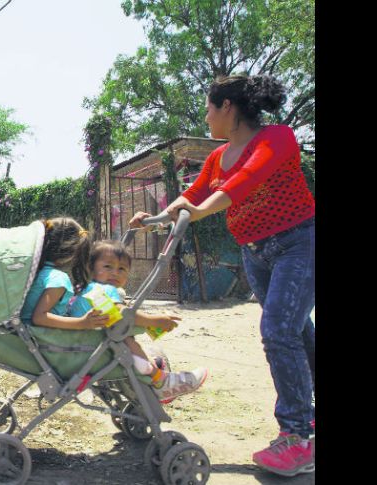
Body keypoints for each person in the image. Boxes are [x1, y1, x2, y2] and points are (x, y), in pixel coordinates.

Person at [130, 74, 315, 477]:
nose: (207, 116)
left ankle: (298, 437)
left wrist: (198, 212)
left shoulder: (277, 138)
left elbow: (246, 183)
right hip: (256, 252)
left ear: (227, 107)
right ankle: (309, 419)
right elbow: (192, 195)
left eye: (210, 107)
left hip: (298, 243)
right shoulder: (217, 158)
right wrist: (157, 218)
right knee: (295, 331)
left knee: (279, 332)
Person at [69, 240, 208, 403]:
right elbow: (123, 314)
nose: (115, 273)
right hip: (96, 353)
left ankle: (151, 370)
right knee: (125, 337)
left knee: (122, 332)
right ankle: (160, 382)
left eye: (122, 269)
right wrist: (155, 321)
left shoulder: (86, 289)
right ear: (91, 269)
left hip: (82, 350)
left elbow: (118, 314)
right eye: (108, 267)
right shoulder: (105, 290)